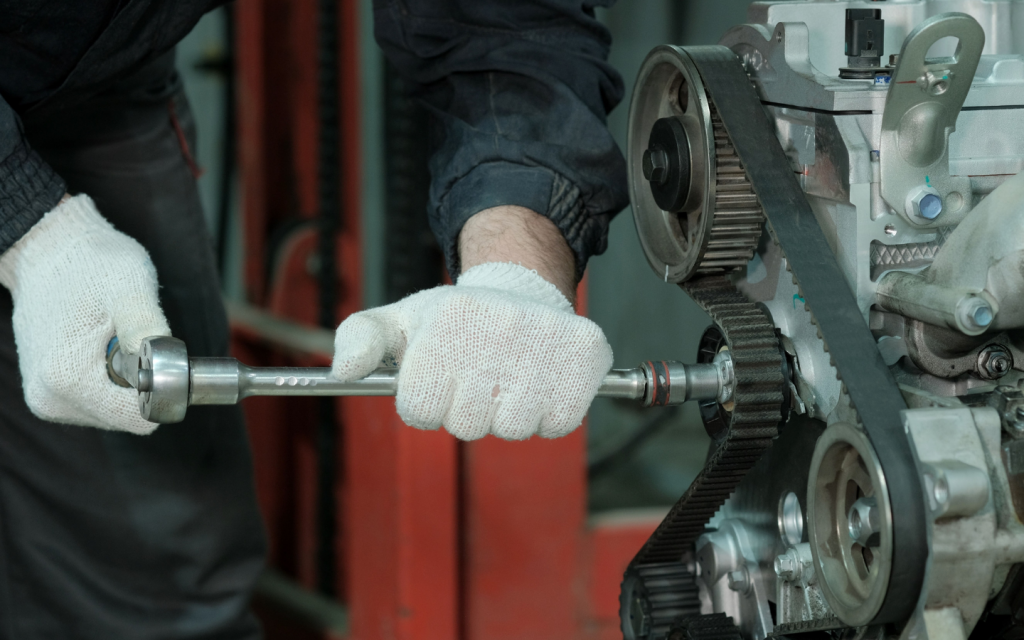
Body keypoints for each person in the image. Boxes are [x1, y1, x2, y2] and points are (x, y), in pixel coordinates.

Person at [0, 0, 627, 636]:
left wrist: (514, 266)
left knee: (160, 587)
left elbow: (501, 23)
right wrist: (30, 230)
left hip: (85, 91)